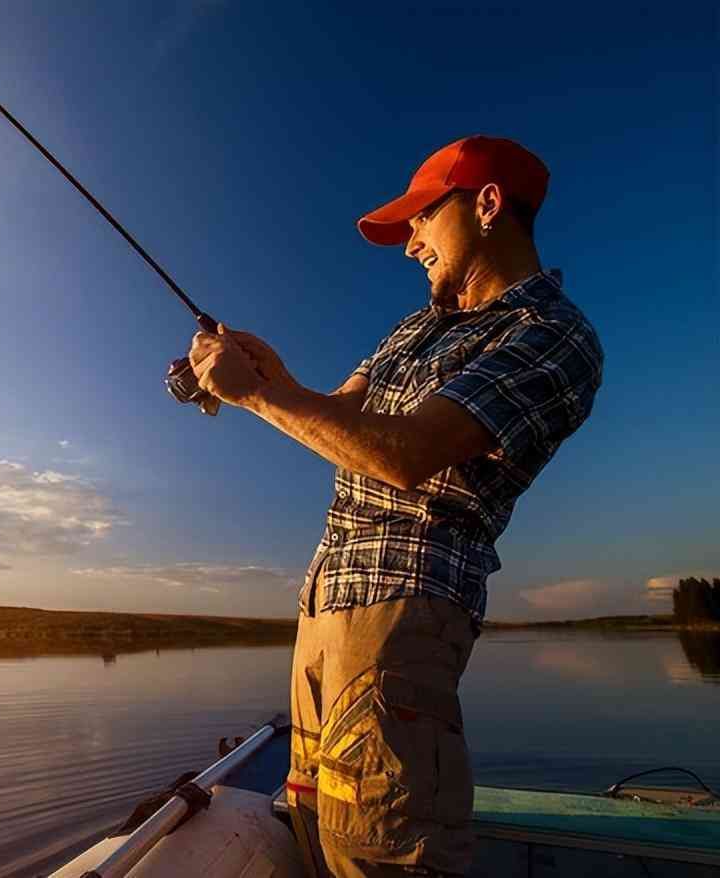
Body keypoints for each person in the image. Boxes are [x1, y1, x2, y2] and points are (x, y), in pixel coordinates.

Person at [188, 135, 604, 877]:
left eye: (420, 220)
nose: (409, 243)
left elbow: (405, 453)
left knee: (382, 850)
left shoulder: (551, 335)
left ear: (486, 205)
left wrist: (257, 394)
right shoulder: (412, 330)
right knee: (314, 827)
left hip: (399, 622)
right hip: (322, 610)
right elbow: (338, 417)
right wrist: (272, 378)